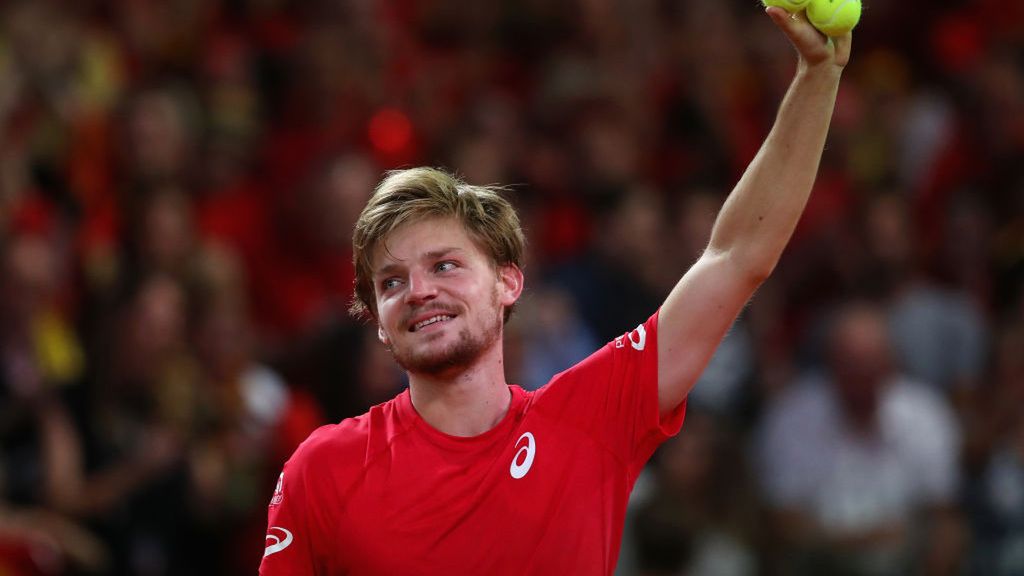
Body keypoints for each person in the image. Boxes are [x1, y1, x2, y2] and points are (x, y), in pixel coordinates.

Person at [259, 8, 851, 575]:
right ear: (378, 322)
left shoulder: (591, 418)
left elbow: (736, 256)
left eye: (445, 266)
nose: (418, 291)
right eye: (391, 282)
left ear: (508, 282)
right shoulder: (322, 469)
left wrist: (818, 76)